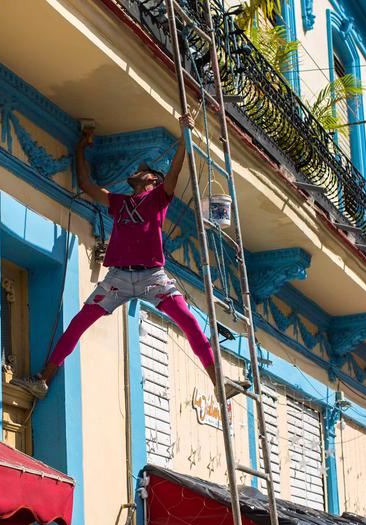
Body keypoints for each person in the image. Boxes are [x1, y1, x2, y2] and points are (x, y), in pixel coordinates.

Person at [14, 114, 244, 400]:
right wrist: (81, 148)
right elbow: (87, 185)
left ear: (152, 179)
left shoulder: (160, 196)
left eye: (142, 169)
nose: (135, 170)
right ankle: (43, 379)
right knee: (79, 322)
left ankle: (219, 384)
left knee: (189, 321)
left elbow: (175, 169)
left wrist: (186, 136)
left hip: (152, 275)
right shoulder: (119, 202)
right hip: (119, 277)